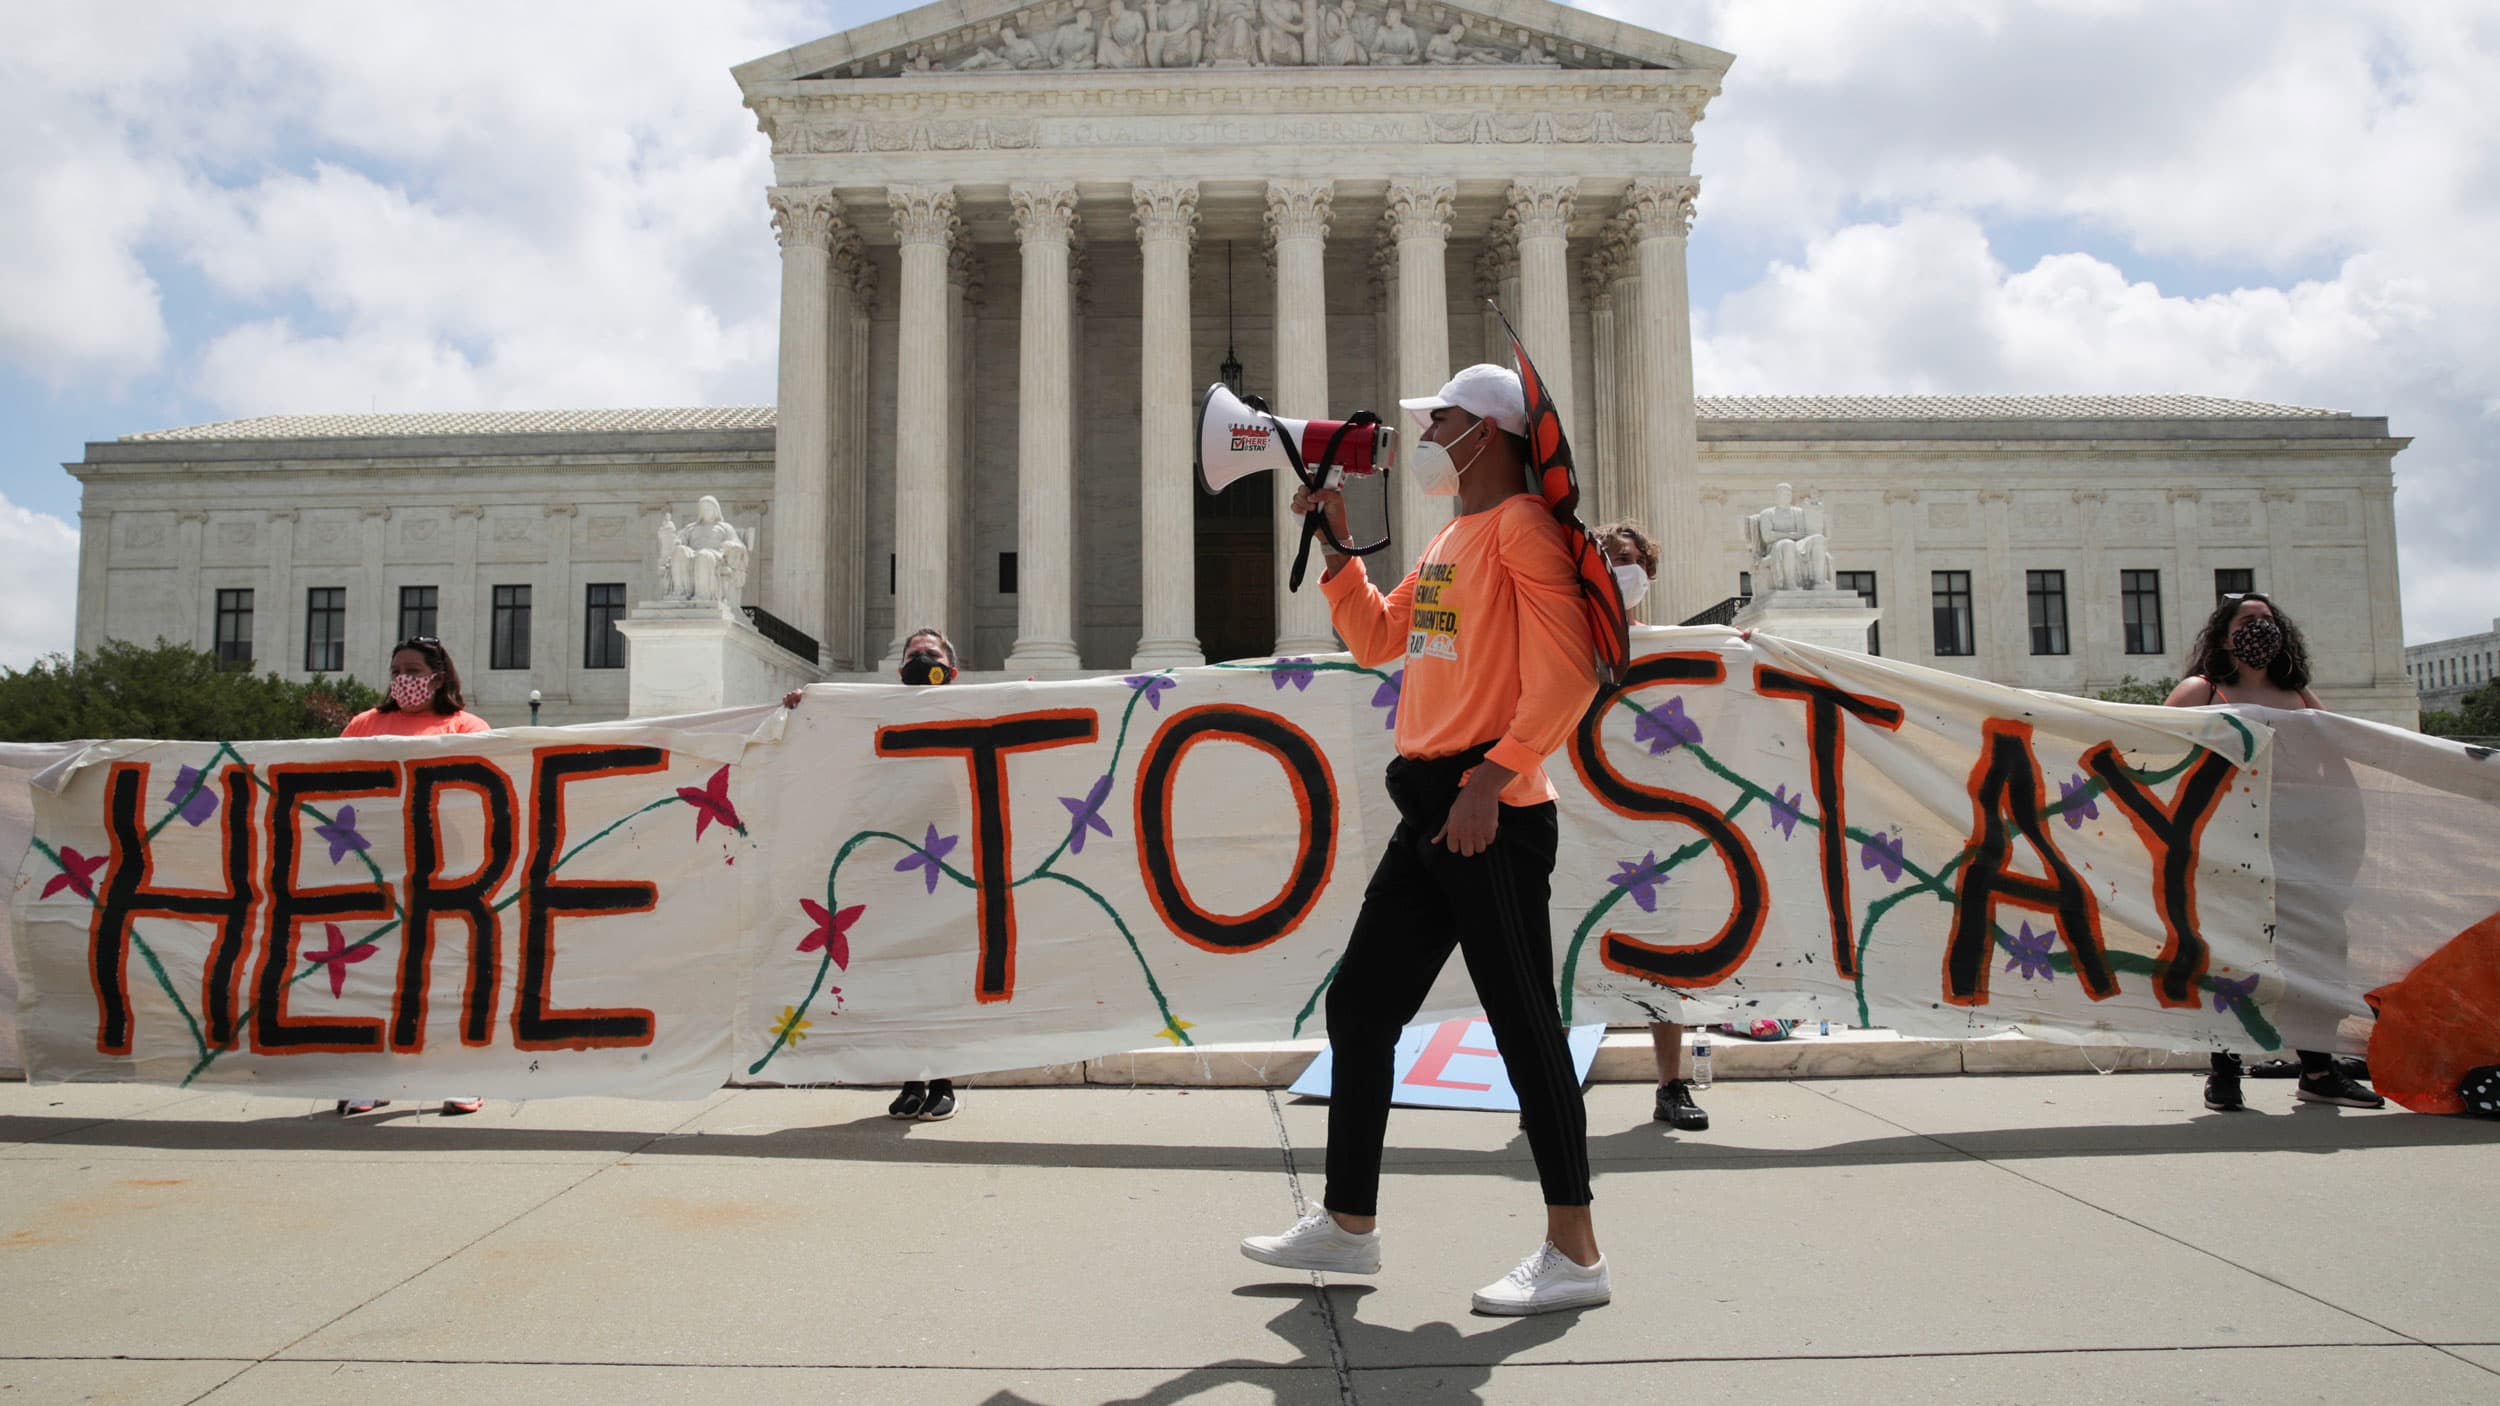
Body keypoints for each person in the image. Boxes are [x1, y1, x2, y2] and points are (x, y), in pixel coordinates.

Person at [1240, 364, 1610, 1316]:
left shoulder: (1523, 527)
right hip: (1433, 803)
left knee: (1524, 1026)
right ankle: (1348, 1223)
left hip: (1486, 805)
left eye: (1442, 420)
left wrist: (1495, 776)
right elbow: (1376, 640)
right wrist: (1334, 551)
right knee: (1363, 1008)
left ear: (1486, 431)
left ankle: (1576, 1254)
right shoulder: (1454, 535)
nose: (1430, 437)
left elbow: (1571, 673)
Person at [2162, 593, 2383, 1111]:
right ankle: (2224, 1072)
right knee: (2228, 956)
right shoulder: (2203, 691)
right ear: (2224, 634)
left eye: (2267, 620)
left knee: (2318, 953)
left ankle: (2319, 1071)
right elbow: (2155, 748)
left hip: (2301, 847)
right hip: (2226, 846)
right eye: (2248, 620)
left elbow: (2338, 759)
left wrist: (2342, 837)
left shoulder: (2298, 695)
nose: (2260, 627)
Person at [789, 627, 964, 1121]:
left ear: (952, 670)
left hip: (946, 864)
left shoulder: (971, 710)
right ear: (898, 665)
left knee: (940, 975)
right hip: (894, 865)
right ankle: (913, 1079)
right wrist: (809, 708)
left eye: (931, 654)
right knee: (903, 975)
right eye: (913, 653)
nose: (921, 659)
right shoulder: (878, 711)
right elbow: (834, 742)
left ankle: (945, 1080)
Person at [338, 637, 491, 1117]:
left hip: (448, 864)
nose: (403, 678)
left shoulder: (467, 727)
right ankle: (375, 1078)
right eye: (396, 669)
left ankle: (461, 1075)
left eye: (413, 669)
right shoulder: (366, 724)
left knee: (447, 971)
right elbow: (332, 780)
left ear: (438, 676)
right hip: (378, 863)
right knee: (378, 970)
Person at [1591, 521, 1711, 1133]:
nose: (1619, 568)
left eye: (1628, 559)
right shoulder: (1564, 642)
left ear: (1650, 573)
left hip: (1651, 826)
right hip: (1579, 821)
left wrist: (1743, 654)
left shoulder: (1670, 646)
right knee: (1560, 949)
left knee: (1661, 958)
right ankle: (1552, 1087)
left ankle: (1671, 1083)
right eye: (1606, 558)